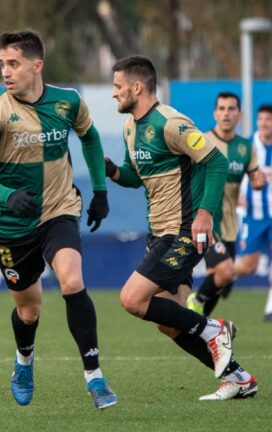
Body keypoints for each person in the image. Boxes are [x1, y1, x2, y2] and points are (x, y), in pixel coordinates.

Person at [0, 30, 116, 409]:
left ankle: (95, 378)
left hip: (59, 210)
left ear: (37, 65)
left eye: (13, 63)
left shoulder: (68, 102)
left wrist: (99, 191)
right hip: (14, 227)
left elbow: (91, 138)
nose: (6, 71)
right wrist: (7, 195)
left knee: (72, 280)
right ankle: (24, 362)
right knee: (28, 310)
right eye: (2, 64)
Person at [105, 55, 257, 401]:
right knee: (169, 322)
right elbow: (135, 177)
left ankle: (214, 329)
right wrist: (111, 170)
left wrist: (205, 215)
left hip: (184, 231)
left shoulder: (171, 123)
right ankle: (239, 378)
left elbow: (216, 161)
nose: (114, 94)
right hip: (158, 232)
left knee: (131, 299)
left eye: (117, 86)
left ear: (137, 87)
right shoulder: (131, 127)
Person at [186, 93, 265, 316]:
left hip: (230, 226)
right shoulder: (202, 141)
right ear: (215, 114)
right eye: (221, 109)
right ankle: (195, 300)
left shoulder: (245, 147)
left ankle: (199, 325)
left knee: (221, 285)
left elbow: (254, 177)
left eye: (231, 109)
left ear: (239, 115)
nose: (226, 113)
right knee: (226, 271)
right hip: (207, 222)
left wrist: (258, 182)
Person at [233, 104, 272, 321]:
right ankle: (219, 277)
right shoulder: (248, 146)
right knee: (249, 266)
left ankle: (270, 307)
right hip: (253, 215)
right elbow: (232, 170)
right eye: (261, 120)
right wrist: (236, 193)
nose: (264, 123)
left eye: (268, 120)